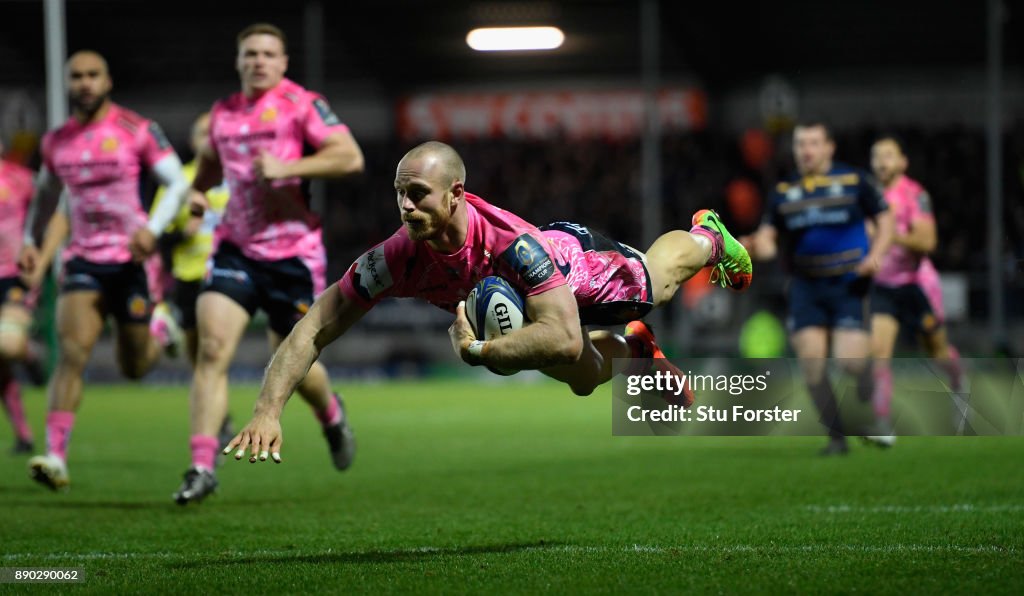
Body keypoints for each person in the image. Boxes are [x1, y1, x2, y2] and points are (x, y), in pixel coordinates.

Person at [220, 141, 752, 466]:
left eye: (419, 194)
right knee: (585, 376)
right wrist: (267, 412)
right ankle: (636, 354)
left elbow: (563, 334)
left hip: (572, 267)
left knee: (653, 288)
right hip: (528, 311)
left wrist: (479, 352)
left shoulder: (512, 244)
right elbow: (314, 326)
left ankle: (706, 235)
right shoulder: (396, 257)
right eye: (400, 194)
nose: (405, 207)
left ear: (455, 193)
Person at [173, 23, 366, 504]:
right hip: (235, 248)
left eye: (268, 54)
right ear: (238, 61)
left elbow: (350, 157)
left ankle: (331, 415)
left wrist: (290, 167)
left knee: (293, 361)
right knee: (213, 349)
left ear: (282, 64)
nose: (258, 61)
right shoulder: (223, 114)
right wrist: (198, 191)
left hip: (292, 254)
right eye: (250, 54)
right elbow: (211, 166)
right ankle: (201, 466)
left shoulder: (303, 104)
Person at [18, 50, 189, 490]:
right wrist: (30, 242)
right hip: (82, 260)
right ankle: (55, 455)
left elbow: (177, 182)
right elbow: (46, 197)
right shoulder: (57, 141)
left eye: (93, 75)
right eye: (77, 76)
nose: (85, 83)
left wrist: (153, 229)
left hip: (131, 260)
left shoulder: (137, 129)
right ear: (67, 83)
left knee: (133, 367)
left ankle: (160, 330)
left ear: (107, 80)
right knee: (72, 354)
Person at [745, 121, 894, 455]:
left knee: (850, 362)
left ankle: (871, 384)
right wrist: (756, 245)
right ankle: (837, 438)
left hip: (848, 283)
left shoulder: (854, 182)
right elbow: (769, 238)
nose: (806, 151)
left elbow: (886, 220)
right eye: (800, 144)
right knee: (812, 366)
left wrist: (877, 255)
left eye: (813, 143)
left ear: (829, 147)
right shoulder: (783, 192)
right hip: (805, 286)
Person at [867, 135, 964, 445]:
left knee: (937, 351)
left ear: (902, 162)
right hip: (885, 286)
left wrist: (889, 235)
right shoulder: (867, 198)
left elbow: (928, 242)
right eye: (877, 156)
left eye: (888, 156)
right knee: (879, 353)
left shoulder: (915, 195)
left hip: (917, 285)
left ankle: (959, 387)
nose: (882, 162)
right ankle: (882, 424)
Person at [150, 113, 230, 365]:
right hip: (189, 275)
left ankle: (216, 400)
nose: (209, 140)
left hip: (227, 272)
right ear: (192, 141)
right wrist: (184, 234)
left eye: (214, 134)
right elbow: (156, 234)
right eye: (203, 134)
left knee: (217, 345)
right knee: (199, 350)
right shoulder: (178, 182)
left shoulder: (236, 178)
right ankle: (207, 397)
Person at [0, 140, 42, 454]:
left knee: (7, 345)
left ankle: (29, 355)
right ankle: (24, 436)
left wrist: (39, 260)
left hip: (13, 274)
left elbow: (44, 220)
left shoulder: (20, 179)